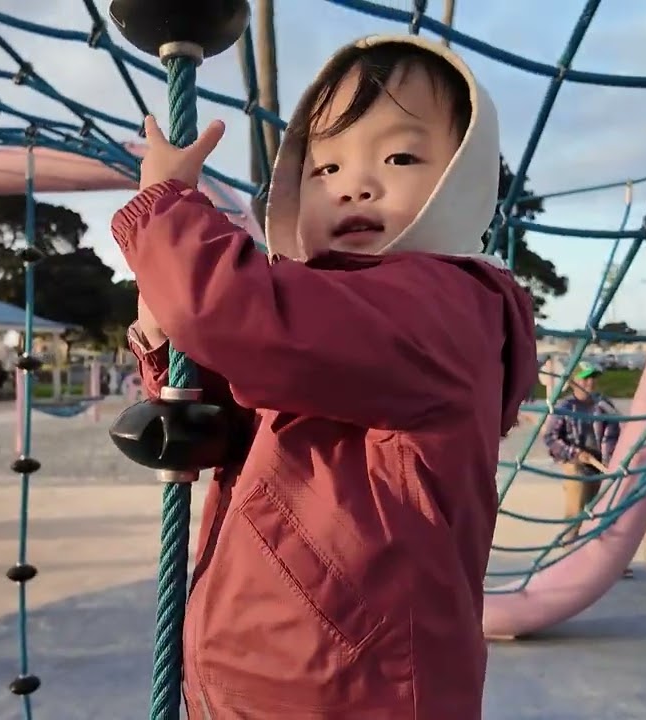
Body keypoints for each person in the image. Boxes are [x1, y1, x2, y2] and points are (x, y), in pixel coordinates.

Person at [116, 36, 536, 718]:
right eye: (325, 166)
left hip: (355, 691)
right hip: (271, 671)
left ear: (465, 180)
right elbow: (243, 415)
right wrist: (167, 348)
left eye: (400, 158)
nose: (353, 185)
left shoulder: (442, 308)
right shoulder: (330, 328)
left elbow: (234, 317)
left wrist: (166, 209)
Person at [541, 363, 625, 552]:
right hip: (574, 462)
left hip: (600, 464)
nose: (590, 382)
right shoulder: (565, 407)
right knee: (577, 504)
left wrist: (610, 463)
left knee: (601, 508)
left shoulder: (604, 405)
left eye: (593, 378)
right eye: (585, 378)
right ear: (573, 382)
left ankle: (601, 552)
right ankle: (568, 547)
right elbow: (550, 438)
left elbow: (614, 435)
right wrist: (576, 453)